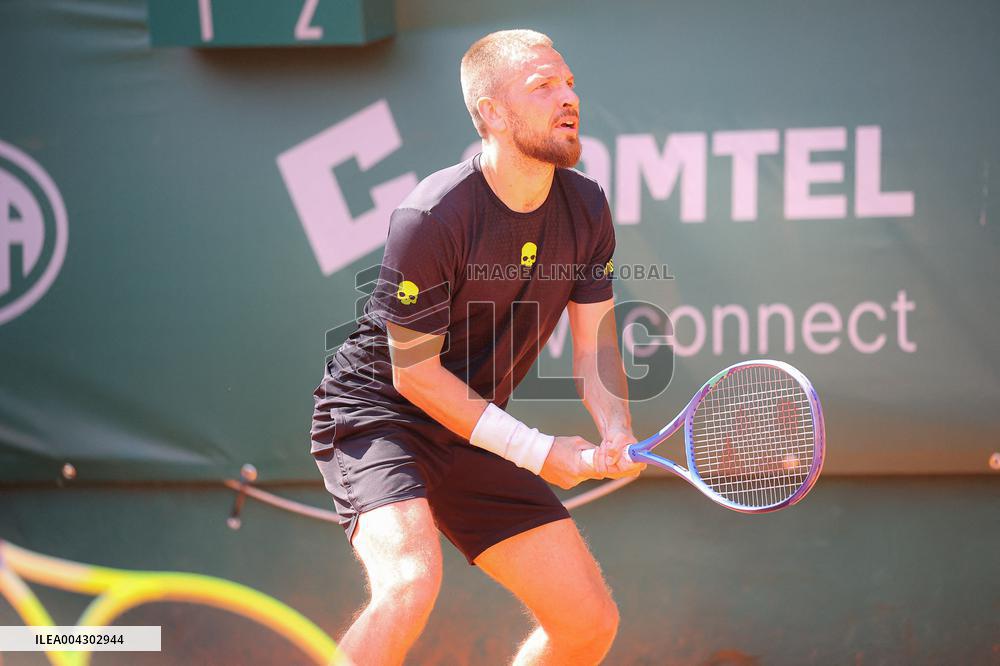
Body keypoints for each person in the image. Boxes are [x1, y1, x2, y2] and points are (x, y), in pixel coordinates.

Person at [310, 28, 644, 665]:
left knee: (587, 622)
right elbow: (415, 379)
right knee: (408, 586)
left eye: (569, 82)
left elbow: (594, 348)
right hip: (378, 418)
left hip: (470, 427)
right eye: (542, 85)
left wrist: (616, 426)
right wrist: (539, 451)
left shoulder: (587, 207)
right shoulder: (433, 216)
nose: (567, 97)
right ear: (491, 113)